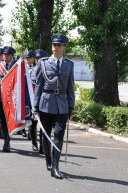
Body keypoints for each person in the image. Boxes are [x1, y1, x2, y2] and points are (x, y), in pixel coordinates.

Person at [33, 34, 75, 179]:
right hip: (46, 103)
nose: (56, 47)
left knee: (59, 134)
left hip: (62, 105)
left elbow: (70, 86)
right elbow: (38, 85)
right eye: (54, 45)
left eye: (59, 45)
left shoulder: (69, 64)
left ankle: (56, 166)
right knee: (45, 135)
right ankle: (48, 160)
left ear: (64, 47)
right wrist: (35, 105)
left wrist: (71, 104)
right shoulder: (43, 63)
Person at [0, 46, 16, 152]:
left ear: (12, 56)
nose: (5, 57)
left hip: (12, 98)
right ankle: (6, 139)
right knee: (2, 120)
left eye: (7, 55)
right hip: (0, 97)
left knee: (9, 121)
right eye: (4, 55)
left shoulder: (16, 67)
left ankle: (7, 141)